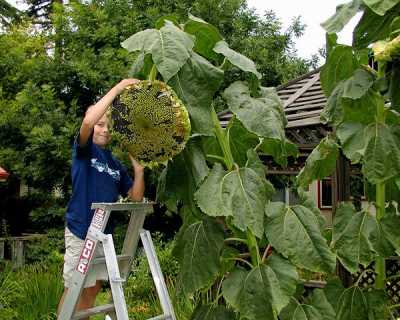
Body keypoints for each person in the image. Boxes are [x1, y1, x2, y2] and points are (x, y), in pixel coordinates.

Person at [58, 79, 145, 317]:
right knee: (74, 288)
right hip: (80, 232)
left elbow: (136, 197)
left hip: (101, 237)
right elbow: (87, 121)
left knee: (93, 289)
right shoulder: (84, 152)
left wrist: (139, 171)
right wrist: (118, 89)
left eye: (108, 125)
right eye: (100, 124)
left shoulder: (115, 165)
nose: (104, 129)